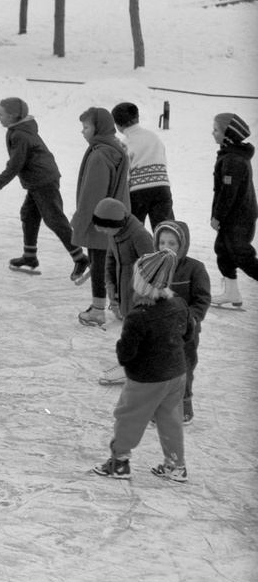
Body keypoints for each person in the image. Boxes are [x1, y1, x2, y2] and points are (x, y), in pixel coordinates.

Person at [92, 249, 193, 482]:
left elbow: (126, 355)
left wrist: (121, 346)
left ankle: (119, 462)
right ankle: (176, 465)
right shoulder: (179, 304)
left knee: (129, 417)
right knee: (170, 419)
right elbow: (187, 334)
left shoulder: (138, 316)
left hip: (147, 379)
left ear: (140, 281)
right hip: (176, 375)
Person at [0, 97, 90, 281]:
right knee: (29, 214)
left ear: (13, 116)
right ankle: (30, 256)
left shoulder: (20, 135)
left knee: (54, 219)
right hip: (37, 180)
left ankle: (81, 258)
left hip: (43, 180)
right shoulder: (19, 130)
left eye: (1, 114)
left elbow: (15, 165)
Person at [70, 106, 130, 327]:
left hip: (100, 220)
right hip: (114, 217)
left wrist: (79, 221)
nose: (83, 131)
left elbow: (91, 195)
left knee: (99, 265)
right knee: (110, 264)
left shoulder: (100, 155)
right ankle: (119, 307)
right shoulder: (113, 149)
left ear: (98, 128)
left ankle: (97, 310)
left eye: (86, 127)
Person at [90, 196, 154, 386]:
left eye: (103, 227)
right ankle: (133, 365)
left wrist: (147, 298)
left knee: (135, 332)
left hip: (139, 295)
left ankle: (129, 367)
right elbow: (111, 260)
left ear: (115, 223)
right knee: (129, 330)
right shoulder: (115, 233)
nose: (99, 230)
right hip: (124, 292)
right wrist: (112, 289)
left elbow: (153, 268)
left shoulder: (140, 235)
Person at [154, 220, 211, 423]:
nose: (165, 248)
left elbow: (202, 299)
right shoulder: (153, 267)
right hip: (160, 331)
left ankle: (184, 405)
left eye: (172, 243)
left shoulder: (195, 268)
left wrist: (191, 320)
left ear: (182, 245)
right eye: (161, 242)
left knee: (184, 369)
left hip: (186, 333)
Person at [209, 113, 258, 309]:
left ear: (228, 134)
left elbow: (228, 193)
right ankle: (231, 292)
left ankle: (232, 290)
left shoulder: (233, 160)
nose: (212, 133)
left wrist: (217, 217)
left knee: (242, 256)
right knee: (223, 251)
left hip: (239, 218)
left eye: (216, 130)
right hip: (234, 216)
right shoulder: (230, 155)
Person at [111, 102, 173, 230]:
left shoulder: (126, 143)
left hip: (138, 191)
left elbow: (126, 172)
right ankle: (167, 249)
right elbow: (163, 158)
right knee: (165, 228)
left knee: (134, 229)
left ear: (118, 124)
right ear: (137, 117)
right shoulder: (153, 136)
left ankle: (138, 249)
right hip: (162, 187)